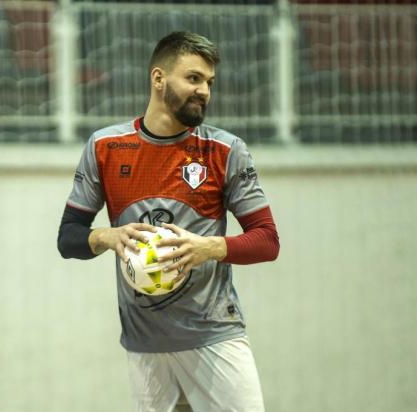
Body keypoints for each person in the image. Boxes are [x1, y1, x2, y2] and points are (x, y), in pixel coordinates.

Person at [58, 31, 279, 412]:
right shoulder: (104, 147)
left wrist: (207, 247)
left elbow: (267, 241)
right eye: (193, 78)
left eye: (209, 82)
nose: (204, 91)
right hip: (144, 343)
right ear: (159, 79)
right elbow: (68, 238)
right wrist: (108, 237)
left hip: (214, 336)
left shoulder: (225, 151)